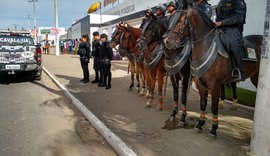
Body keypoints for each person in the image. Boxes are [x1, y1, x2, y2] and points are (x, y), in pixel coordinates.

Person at [215, 0, 246, 81]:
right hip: (220, 28)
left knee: (234, 44)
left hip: (234, 29)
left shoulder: (239, 2)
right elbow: (218, 17)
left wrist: (221, 23)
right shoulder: (221, 2)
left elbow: (238, 18)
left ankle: (239, 72)